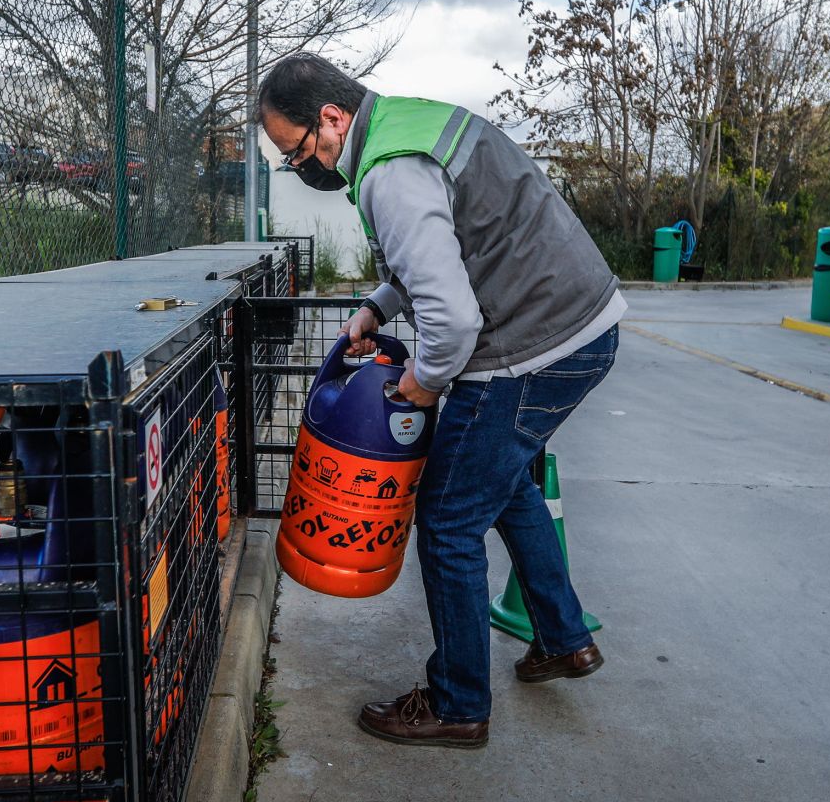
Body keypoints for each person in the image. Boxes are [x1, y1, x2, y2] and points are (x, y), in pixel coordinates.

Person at [258, 52, 626, 749]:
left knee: (450, 518)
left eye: (296, 150)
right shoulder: (405, 126)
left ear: (331, 119)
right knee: (507, 484)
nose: (300, 166)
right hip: (578, 327)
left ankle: (459, 702)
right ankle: (564, 638)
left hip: (532, 346)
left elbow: (453, 321)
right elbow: (441, 252)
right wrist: (377, 307)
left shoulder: (391, 173)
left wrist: (420, 384)